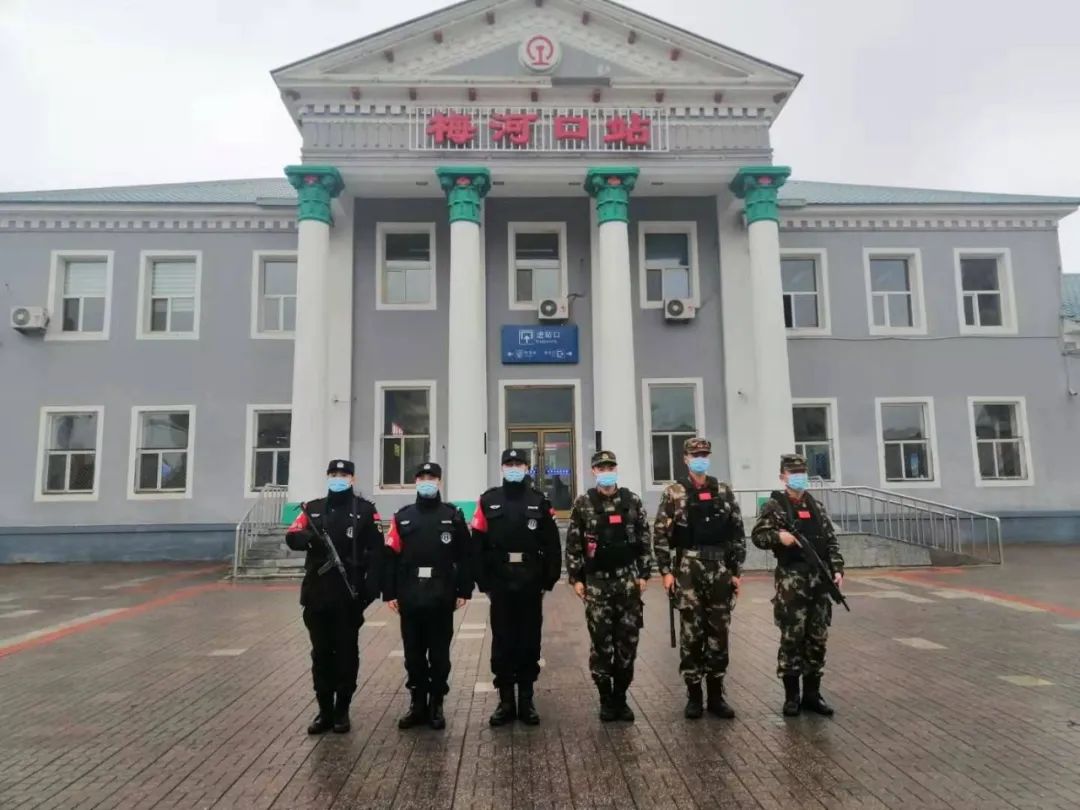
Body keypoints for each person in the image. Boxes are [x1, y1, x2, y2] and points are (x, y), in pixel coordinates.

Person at [285, 459, 383, 735]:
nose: (338, 478)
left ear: (353, 478)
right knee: (321, 654)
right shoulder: (313, 509)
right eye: (333, 474)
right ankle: (324, 710)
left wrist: (368, 592)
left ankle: (342, 710)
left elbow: (376, 554)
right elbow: (292, 535)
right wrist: (307, 539)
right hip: (317, 596)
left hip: (348, 597)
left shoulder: (364, 511)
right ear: (327, 476)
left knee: (347, 654)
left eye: (343, 474)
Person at [653, 437, 745, 720]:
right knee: (692, 633)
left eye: (704, 454)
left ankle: (716, 696)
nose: (700, 458)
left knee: (719, 632)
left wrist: (736, 571)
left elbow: (737, 533)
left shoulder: (724, 491)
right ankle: (694, 696)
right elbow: (660, 534)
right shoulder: (674, 493)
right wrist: (666, 572)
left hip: (718, 567)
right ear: (685, 458)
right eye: (695, 454)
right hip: (689, 567)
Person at [471, 448, 562, 726]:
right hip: (499, 582)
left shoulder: (539, 501)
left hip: (530, 581)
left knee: (528, 640)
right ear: (502, 468)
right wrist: (483, 581)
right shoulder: (488, 501)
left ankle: (527, 700)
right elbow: (477, 544)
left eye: (518, 463)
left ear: (527, 468)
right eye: (509, 463)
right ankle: (505, 701)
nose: (514, 468)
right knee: (502, 641)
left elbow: (552, 544)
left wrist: (548, 580)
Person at [751, 453, 845, 717]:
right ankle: (792, 697)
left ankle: (812, 695)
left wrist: (837, 569)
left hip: (819, 582)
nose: (798, 477)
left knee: (817, 638)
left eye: (802, 472)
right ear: (783, 476)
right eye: (793, 472)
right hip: (792, 582)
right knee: (792, 638)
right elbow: (758, 536)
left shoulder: (816, 506)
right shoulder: (775, 506)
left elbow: (830, 542)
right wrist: (780, 537)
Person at [383, 461, 473, 730]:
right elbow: (390, 557)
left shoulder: (453, 516)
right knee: (413, 654)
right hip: (410, 595)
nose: (426, 481)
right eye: (422, 477)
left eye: (431, 477)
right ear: (415, 482)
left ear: (440, 482)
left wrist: (464, 589)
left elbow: (466, 555)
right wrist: (389, 592)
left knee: (439, 653)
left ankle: (436, 704)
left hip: (440, 594)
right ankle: (417, 704)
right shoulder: (403, 517)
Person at [565, 450, 653, 722]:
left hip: (627, 583)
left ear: (616, 468)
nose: (606, 471)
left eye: (610, 466)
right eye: (601, 467)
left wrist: (644, 574)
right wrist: (576, 578)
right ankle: (605, 699)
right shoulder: (584, 504)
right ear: (593, 471)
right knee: (602, 644)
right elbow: (573, 544)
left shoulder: (632, 501)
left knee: (627, 643)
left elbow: (643, 540)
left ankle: (621, 698)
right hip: (598, 585)